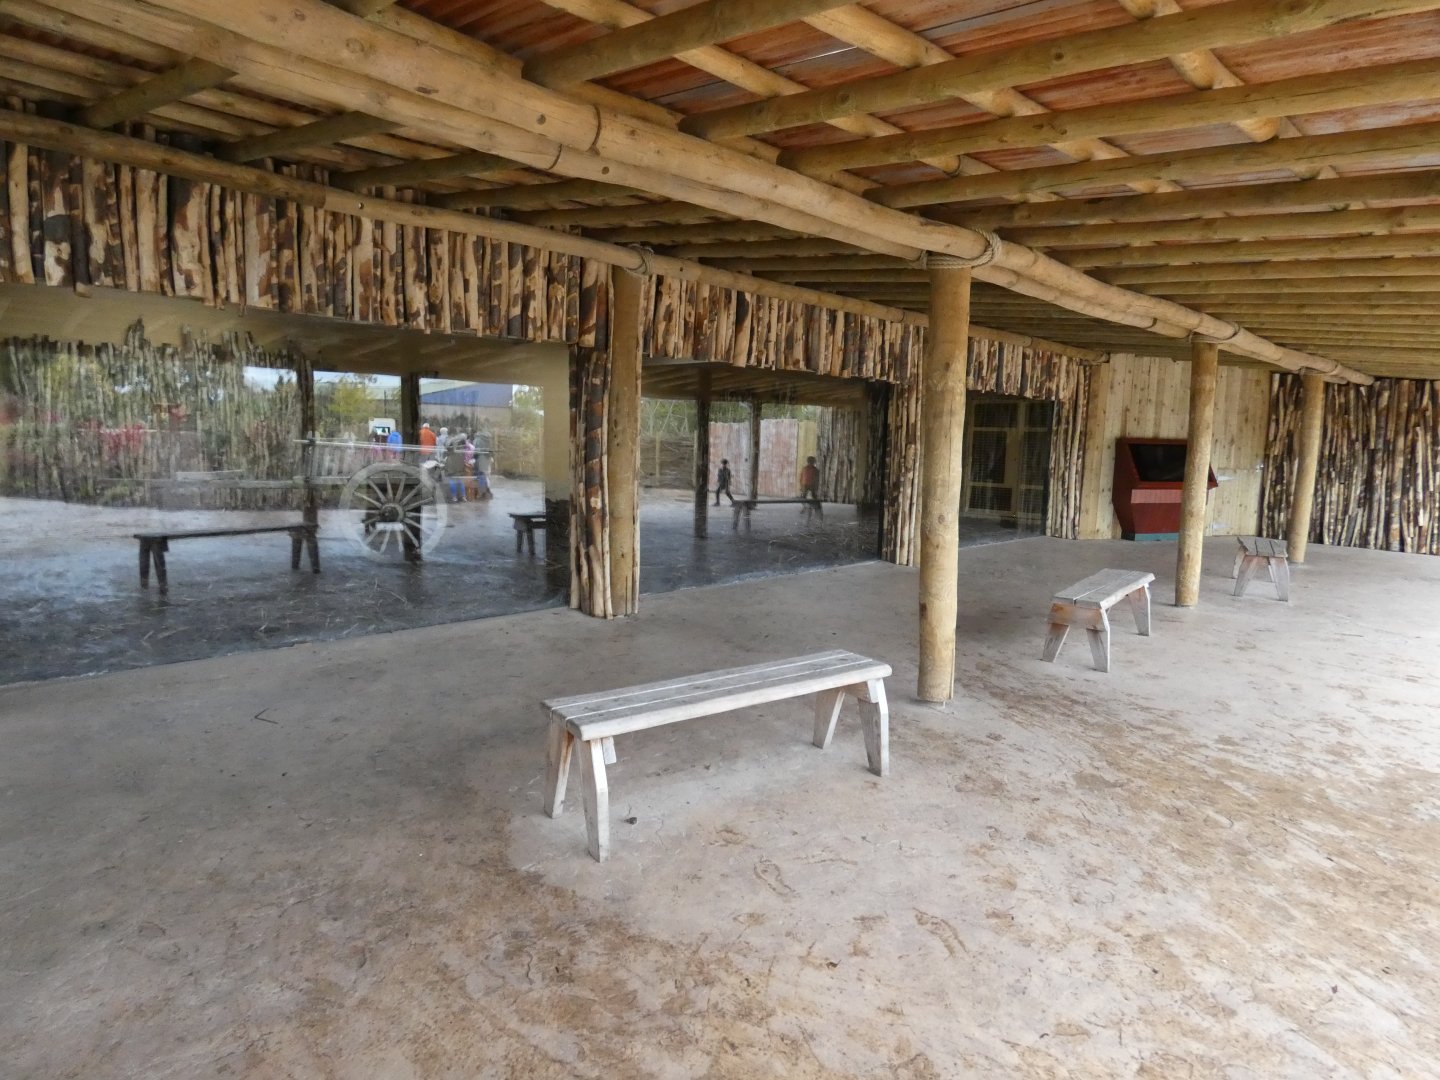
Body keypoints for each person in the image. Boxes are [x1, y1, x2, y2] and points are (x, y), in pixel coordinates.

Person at [800, 455, 823, 521]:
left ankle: (805, 507)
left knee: (803, 497)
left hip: (806, 484)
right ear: (814, 462)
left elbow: (801, 478)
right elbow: (817, 479)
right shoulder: (815, 470)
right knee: (814, 497)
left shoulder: (805, 468)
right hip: (810, 485)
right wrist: (816, 487)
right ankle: (816, 509)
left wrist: (801, 486)